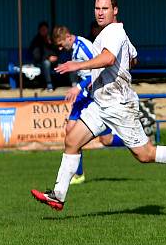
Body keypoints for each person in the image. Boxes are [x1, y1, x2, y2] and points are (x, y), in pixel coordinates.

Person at [31, 0, 166, 210]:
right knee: (71, 141)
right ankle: (58, 195)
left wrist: (77, 66)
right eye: (97, 8)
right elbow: (133, 58)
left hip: (118, 104)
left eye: (105, 8)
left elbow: (109, 59)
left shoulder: (114, 32)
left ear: (115, 10)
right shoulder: (114, 34)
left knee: (146, 155)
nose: (100, 13)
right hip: (101, 102)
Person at [51, 25, 123, 186]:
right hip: (84, 94)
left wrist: (78, 87)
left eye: (62, 44)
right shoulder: (73, 48)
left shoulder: (83, 47)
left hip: (94, 95)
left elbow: (99, 69)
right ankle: (79, 174)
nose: (61, 48)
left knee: (107, 140)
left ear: (69, 36)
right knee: (70, 131)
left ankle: (135, 141)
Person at [29, 21, 61, 91]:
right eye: (42, 30)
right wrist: (48, 58)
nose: (44, 31)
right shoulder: (36, 40)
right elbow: (36, 56)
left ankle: (73, 83)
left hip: (54, 62)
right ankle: (49, 84)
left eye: (45, 29)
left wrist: (55, 56)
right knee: (46, 63)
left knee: (69, 62)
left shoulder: (51, 39)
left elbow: (58, 50)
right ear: (39, 30)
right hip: (40, 63)